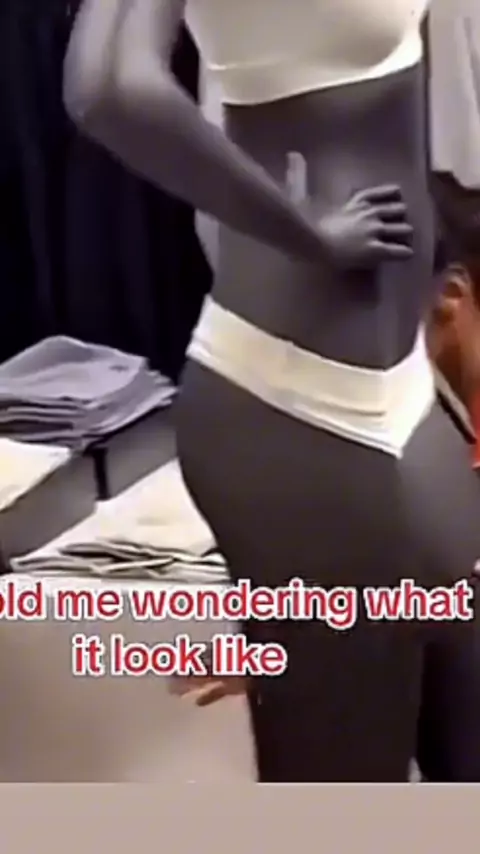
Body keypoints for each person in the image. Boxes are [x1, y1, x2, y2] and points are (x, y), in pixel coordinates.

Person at [62, 0, 480, 781]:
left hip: (406, 389)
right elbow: (108, 86)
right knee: (341, 784)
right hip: (294, 397)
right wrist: (303, 230)